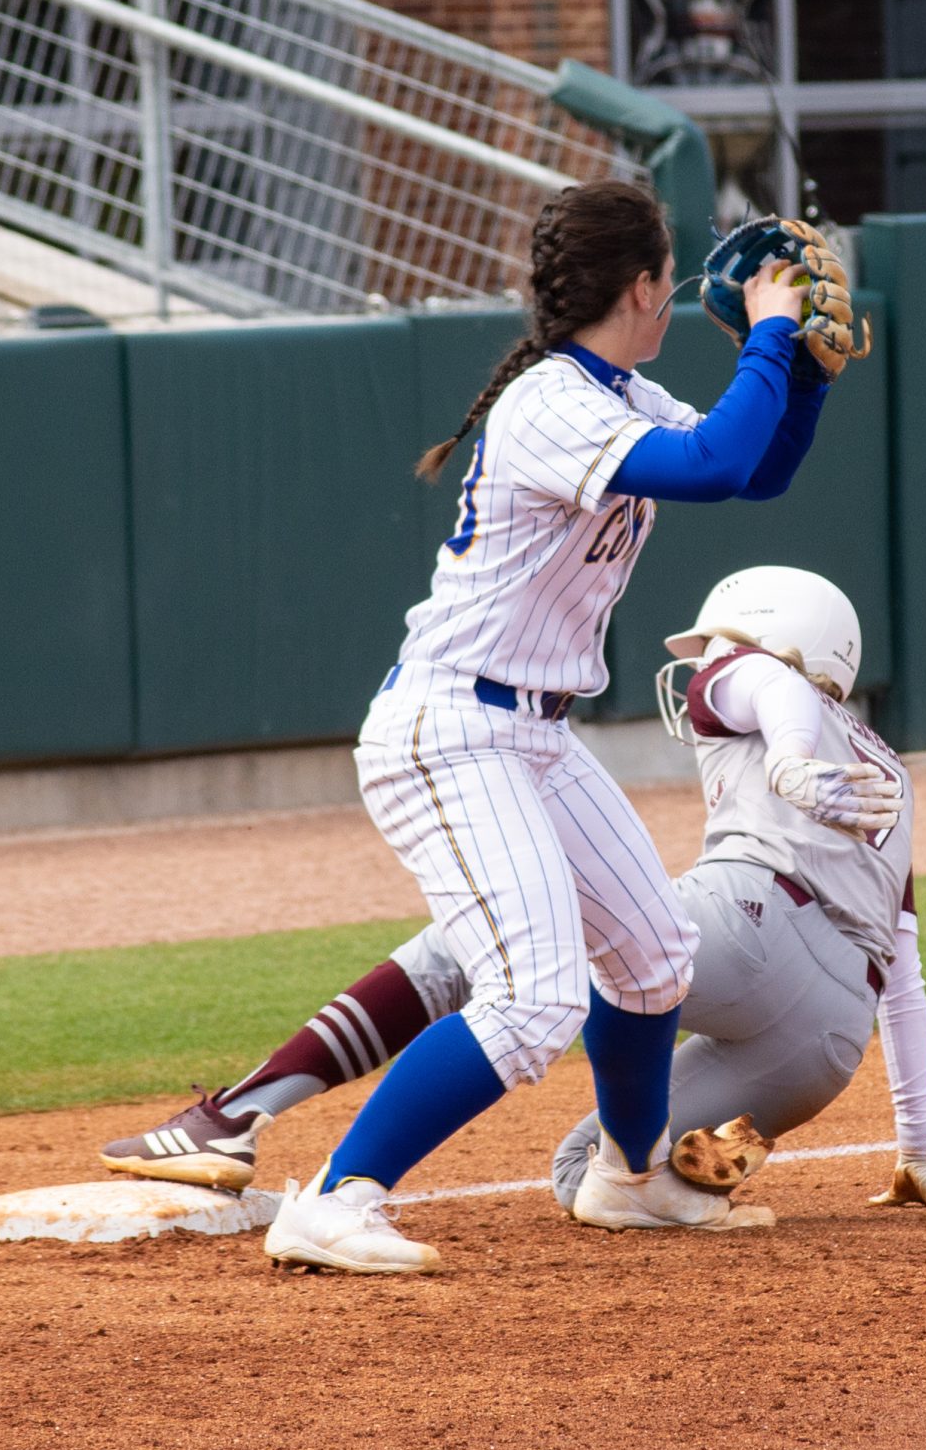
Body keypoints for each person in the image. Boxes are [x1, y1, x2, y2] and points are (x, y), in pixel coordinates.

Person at [258, 181, 843, 1274]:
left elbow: (753, 469)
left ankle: (629, 1176)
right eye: (667, 276)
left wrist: (800, 373)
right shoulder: (552, 401)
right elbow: (713, 463)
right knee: (531, 992)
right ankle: (337, 1196)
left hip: (530, 734)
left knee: (655, 959)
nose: (675, 293)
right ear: (641, 286)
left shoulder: (617, 390)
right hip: (450, 727)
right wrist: (766, 327)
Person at [103, 568, 926, 1216]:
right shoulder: (891, 771)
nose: (702, 667)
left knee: (474, 942)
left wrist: (795, 762)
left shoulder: (760, 684)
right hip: (825, 1041)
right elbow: (908, 979)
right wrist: (919, 1155)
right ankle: (688, 1174)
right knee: (591, 1176)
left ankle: (235, 1114)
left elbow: (763, 680)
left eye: (717, 648)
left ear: (779, 642)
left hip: (752, 924)